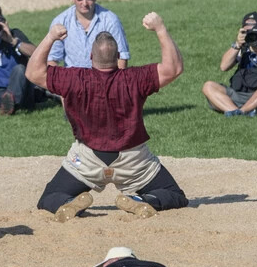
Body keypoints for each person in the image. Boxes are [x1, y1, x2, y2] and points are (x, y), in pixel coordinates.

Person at [26, 12, 188, 222]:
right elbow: (174, 68)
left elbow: (33, 73)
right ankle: (143, 200)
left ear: (91, 56)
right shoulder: (135, 78)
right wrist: (160, 29)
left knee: (50, 197)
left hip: (87, 160)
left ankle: (68, 202)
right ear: (118, 56)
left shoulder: (74, 78)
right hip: (133, 160)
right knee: (174, 195)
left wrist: (50, 37)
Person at [201, 12, 257, 116]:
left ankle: (244, 110)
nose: (250, 35)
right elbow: (224, 67)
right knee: (208, 86)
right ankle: (235, 111)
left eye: (253, 31)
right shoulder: (242, 44)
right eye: (246, 31)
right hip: (239, 93)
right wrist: (237, 45)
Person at [47, 0, 129, 69]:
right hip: (73, 77)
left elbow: (122, 56)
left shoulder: (110, 20)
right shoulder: (61, 21)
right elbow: (52, 59)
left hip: (104, 76)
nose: (84, 3)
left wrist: (115, 78)